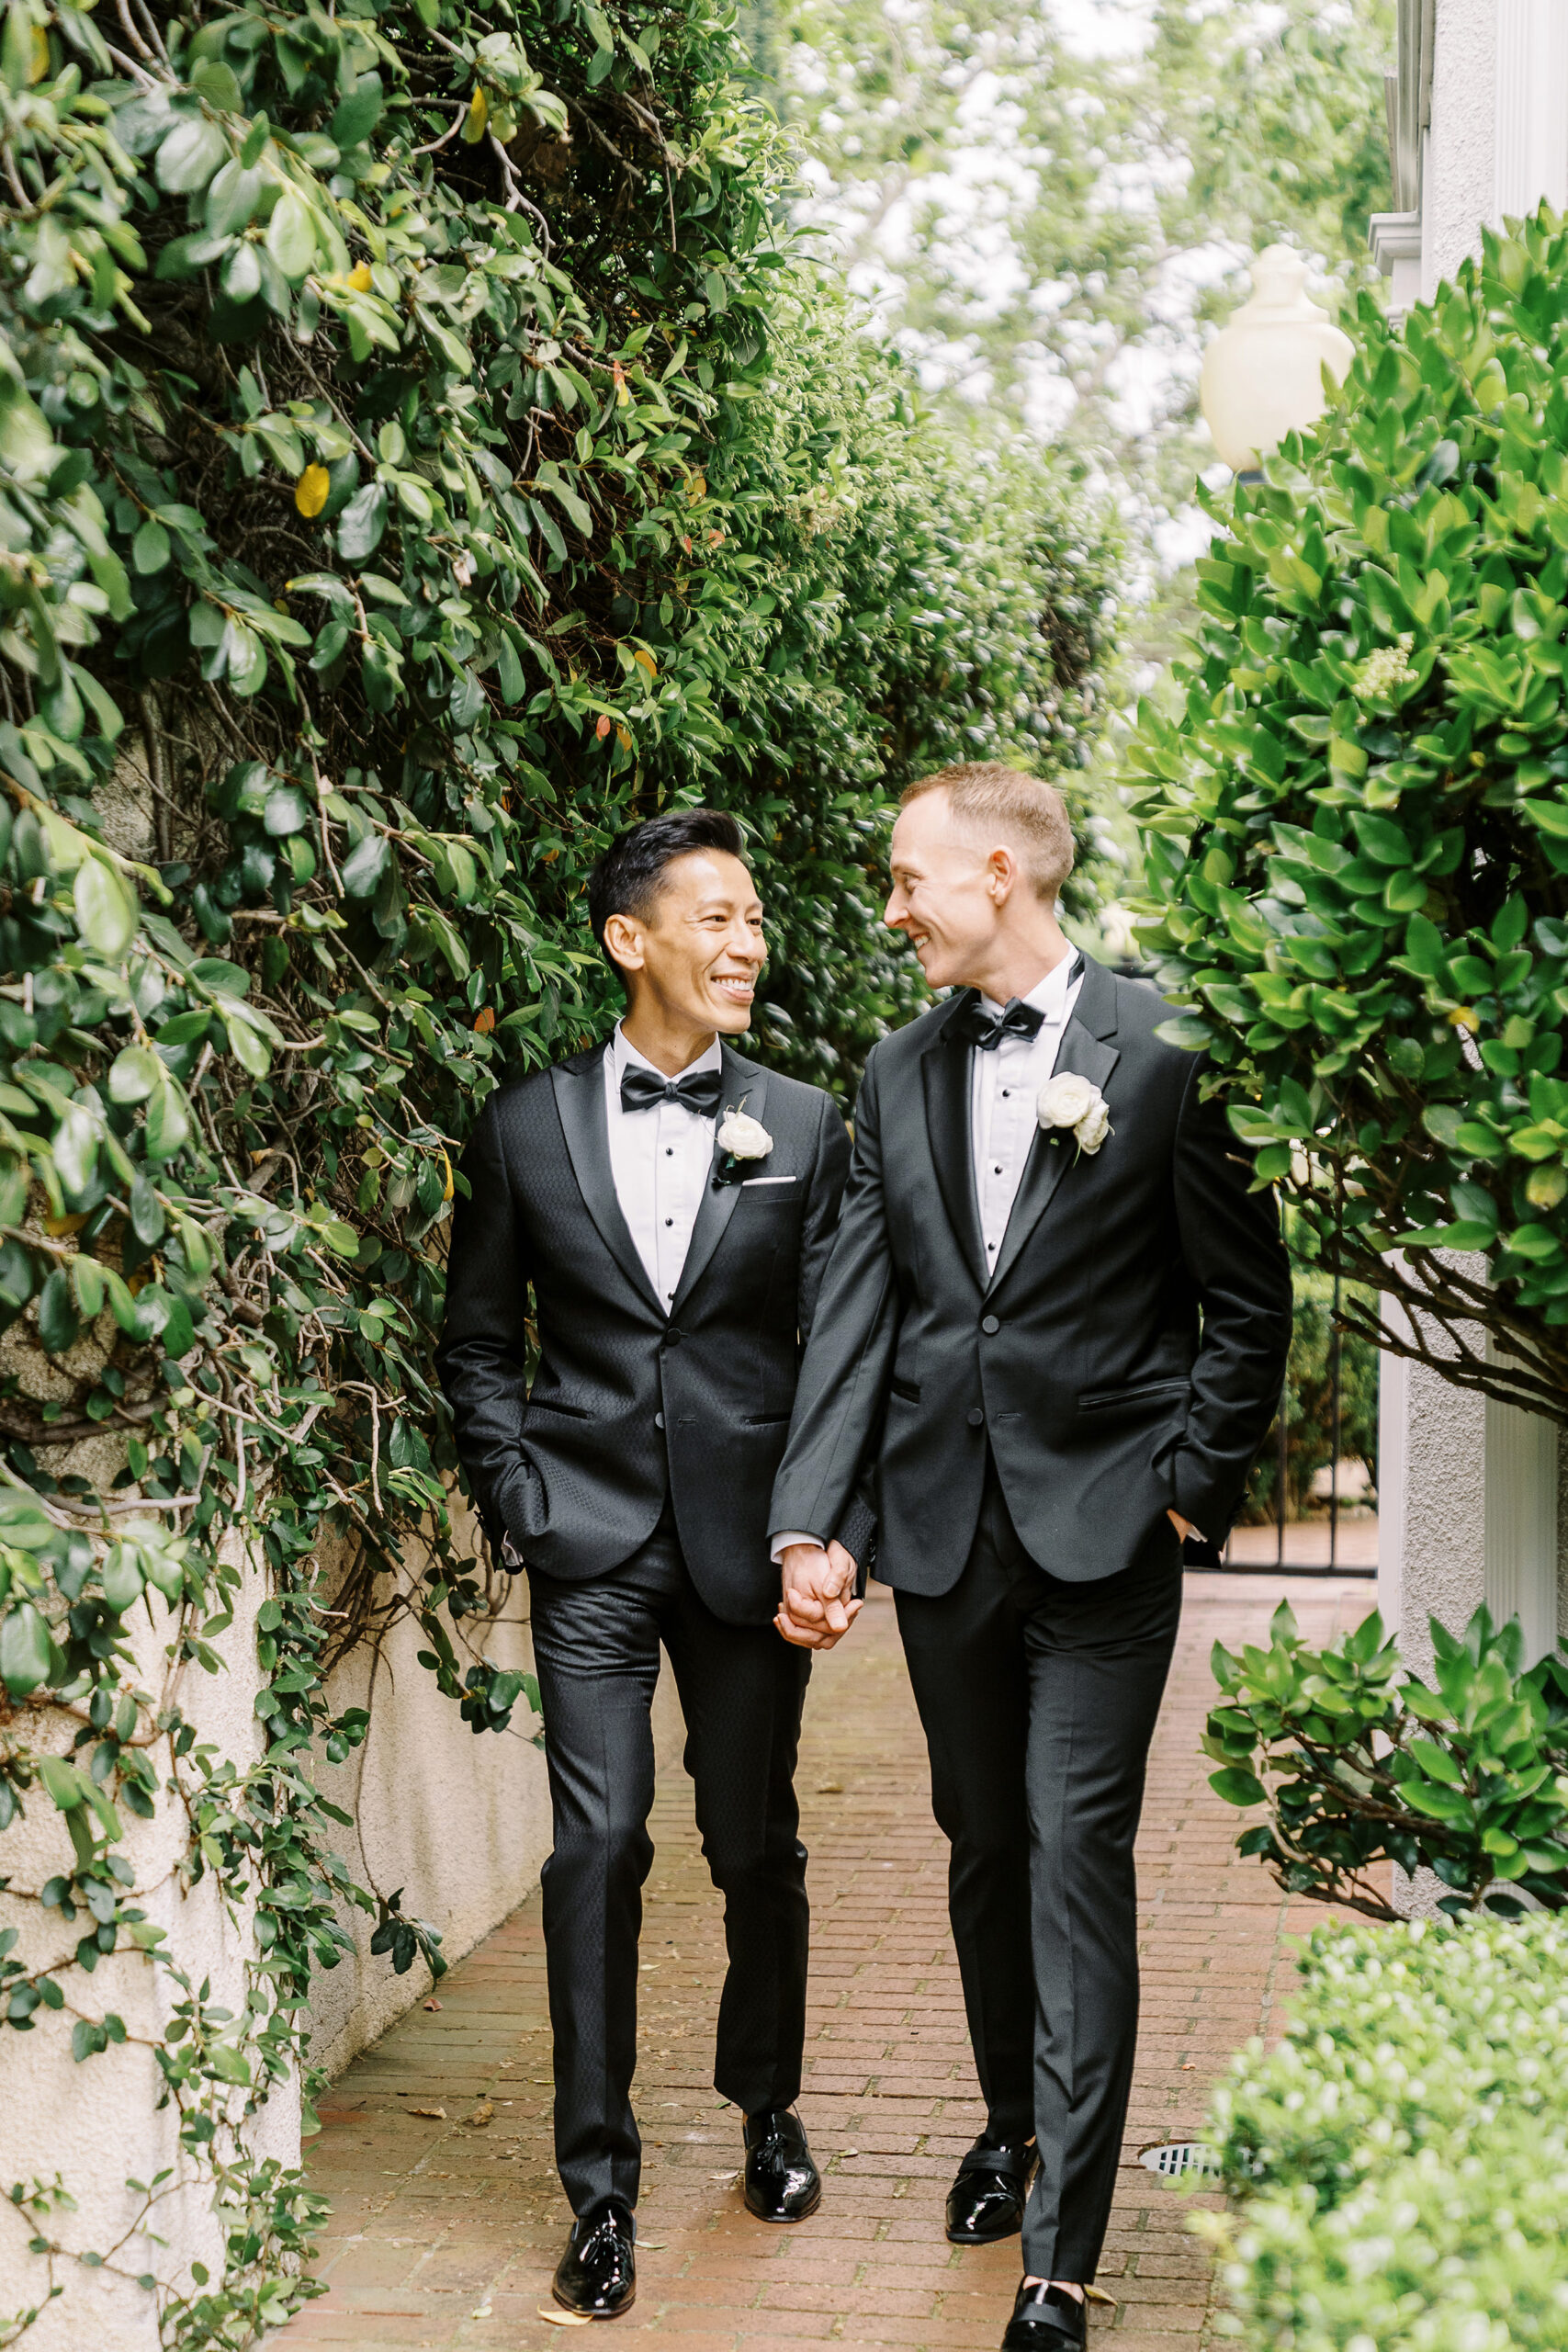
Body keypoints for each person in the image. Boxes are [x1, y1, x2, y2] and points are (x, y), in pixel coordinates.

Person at [767, 763, 1292, 2352]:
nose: (892, 904)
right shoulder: (894, 1065)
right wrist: (817, 1520)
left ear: (999, 872)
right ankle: (1014, 2120)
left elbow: (1246, 1297)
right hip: (942, 1532)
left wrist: (1189, 1487)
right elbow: (860, 1311)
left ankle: (1060, 2257)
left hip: (1104, 1530)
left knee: (1074, 1859)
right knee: (984, 1849)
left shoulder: (1172, 1050)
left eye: (909, 876)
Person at [437, 809, 871, 2319]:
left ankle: (766, 2108)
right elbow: (480, 1344)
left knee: (752, 1844)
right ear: (631, 940)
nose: (748, 943)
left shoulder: (808, 1127)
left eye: (756, 920)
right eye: (719, 917)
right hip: (592, 1543)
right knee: (598, 1844)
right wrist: (521, 1496)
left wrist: (828, 1527)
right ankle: (599, 2188)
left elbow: (841, 1355)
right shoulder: (522, 1125)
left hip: (752, 1546)